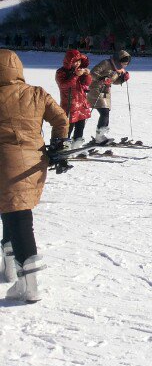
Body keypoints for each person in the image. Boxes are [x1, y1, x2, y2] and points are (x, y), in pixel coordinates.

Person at [1, 49, 70, 302]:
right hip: (32, 162)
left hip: (3, 163)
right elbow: (61, 118)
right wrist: (59, 144)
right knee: (14, 208)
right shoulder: (36, 93)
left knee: (15, 212)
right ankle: (11, 266)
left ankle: (28, 282)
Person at [85, 50, 131, 144]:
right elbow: (92, 74)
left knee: (106, 112)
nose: (124, 66)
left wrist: (122, 79)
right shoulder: (106, 63)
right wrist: (102, 78)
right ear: (118, 60)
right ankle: (100, 136)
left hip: (105, 92)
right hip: (96, 89)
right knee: (104, 112)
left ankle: (101, 135)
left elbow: (113, 81)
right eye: (123, 63)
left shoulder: (118, 69)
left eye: (126, 64)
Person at [54, 49, 92, 149]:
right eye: (76, 61)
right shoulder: (61, 72)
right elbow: (64, 85)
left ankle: (77, 145)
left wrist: (87, 75)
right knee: (68, 127)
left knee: (80, 126)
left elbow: (87, 83)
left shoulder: (80, 70)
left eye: (79, 61)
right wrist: (75, 75)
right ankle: (63, 146)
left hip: (81, 103)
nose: (78, 63)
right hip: (69, 104)